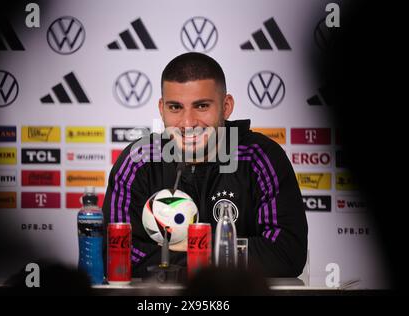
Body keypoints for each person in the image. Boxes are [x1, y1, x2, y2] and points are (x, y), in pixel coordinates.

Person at [102, 52, 307, 279]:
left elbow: (286, 254)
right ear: (161, 109)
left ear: (226, 106)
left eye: (201, 106)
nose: (188, 123)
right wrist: (223, 252)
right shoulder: (138, 161)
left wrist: (190, 250)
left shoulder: (261, 157)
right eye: (175, 107)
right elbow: (115, 256)